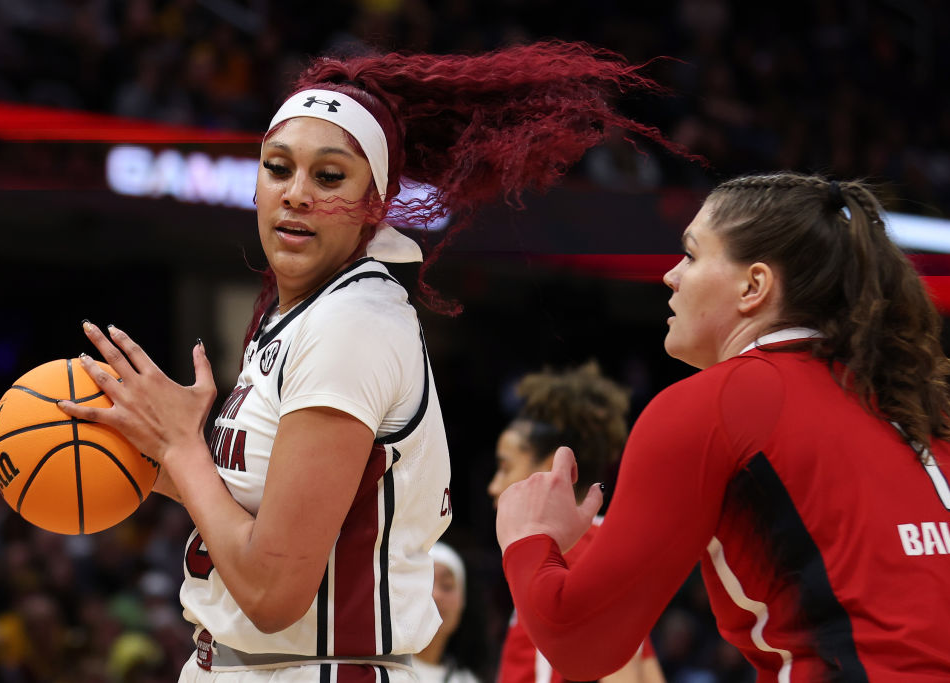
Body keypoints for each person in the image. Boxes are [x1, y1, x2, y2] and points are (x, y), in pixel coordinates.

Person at [56, 40, 687, 682]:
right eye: (277, 168)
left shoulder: (350, 325)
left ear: (373, 203)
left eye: (329, 176)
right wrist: (140, 447)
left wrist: (184, 451)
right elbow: (255, 515)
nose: (296, 193)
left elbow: (274, 593)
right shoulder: (299, 315)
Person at [496, 172, 950, 681]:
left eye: (690, 254)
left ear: (753, 286)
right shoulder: (938, 423)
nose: (670, 276)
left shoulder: (719, 401)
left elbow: (580, 643)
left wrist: (530, 537)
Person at [488, 362, 666, 683]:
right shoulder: (589, 543)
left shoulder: (575, 548)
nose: (494, 485)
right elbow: (647, 669)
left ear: (549, 469)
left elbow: (623, 673)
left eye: (505, 467)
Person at [411, 541, 481, 683]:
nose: (436, 595)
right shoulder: (378, 672)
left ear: (462, 603)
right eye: (426, 583)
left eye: (447, 586)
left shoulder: (468, 680)